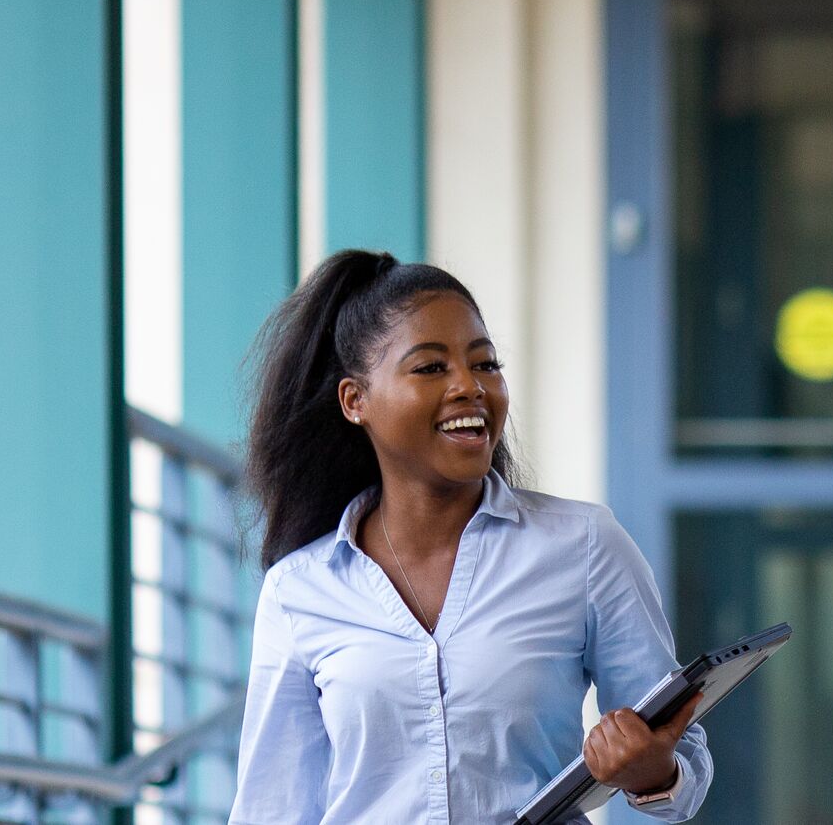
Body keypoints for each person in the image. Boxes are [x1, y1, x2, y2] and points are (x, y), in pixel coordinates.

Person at [228, 250, 711, 823]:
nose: (470, 387)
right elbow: (272, 807)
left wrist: (656, 770)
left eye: (484, 365)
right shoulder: (299, 590)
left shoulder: (583, 547)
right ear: (356, 401)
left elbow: (681, 755)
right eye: (432, 368)